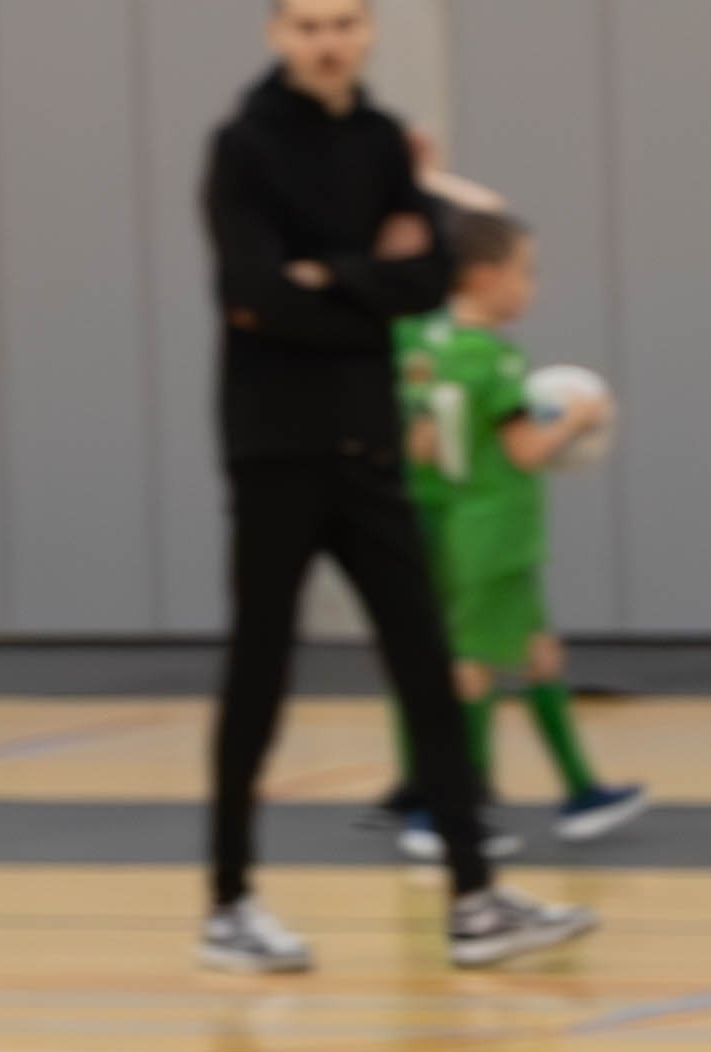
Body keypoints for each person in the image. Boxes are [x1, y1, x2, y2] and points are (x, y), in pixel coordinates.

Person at [197, 0, 589, 980]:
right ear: (277, 35)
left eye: (344, 22)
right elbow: (253, 296)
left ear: (368, 30)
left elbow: (428, 282)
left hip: (370, 449)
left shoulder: (379, 143)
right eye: (307, 25)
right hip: (275, 448)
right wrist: (365, 277)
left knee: (426, 662)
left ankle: (473, 899)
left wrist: (325, 278)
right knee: (259, 669)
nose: (327, 41)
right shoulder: (243, 147)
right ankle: (230, 903)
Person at [381, 211, 650, 857]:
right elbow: (527, 451)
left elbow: (420, 445)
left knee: (537, 653)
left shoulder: (430, 345)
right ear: (483, 277)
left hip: (457, 522)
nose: (533, 286)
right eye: (525, 272)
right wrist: (577, 420)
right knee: (472, 666)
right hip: (494, 530)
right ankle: (449, 814)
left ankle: (582, 793)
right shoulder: (496, 359)